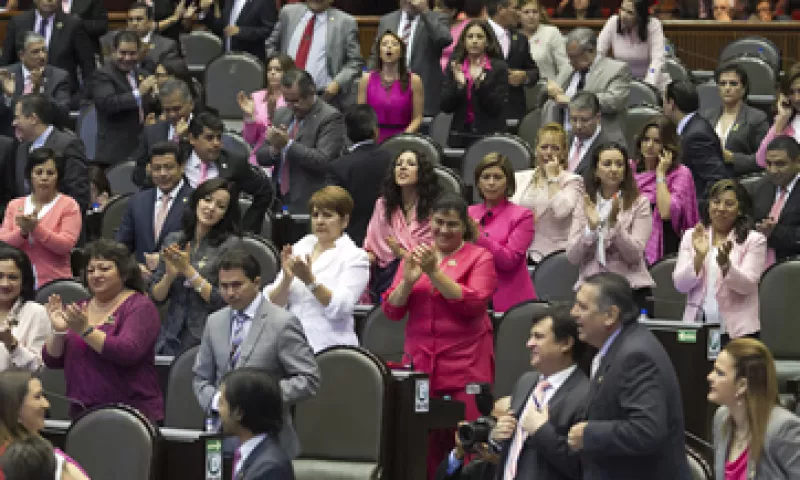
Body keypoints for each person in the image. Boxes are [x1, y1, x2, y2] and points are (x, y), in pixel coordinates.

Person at [383, 194, 497, 478]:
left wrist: (434, 273)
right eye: (439, 222)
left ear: (465, 226)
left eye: (452, 224)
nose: (444, 230)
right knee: (424, 444)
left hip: (466, 365)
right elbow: (392, 310)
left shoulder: (479, 257)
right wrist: (408, 282)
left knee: (469, 442)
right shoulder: (414, 256)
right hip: (423, 366)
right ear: (429, 222)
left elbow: (474, 305)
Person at [193, 249, 319, 460]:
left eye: (237, 285)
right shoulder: (214, 322)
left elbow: (308, 380)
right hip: (220, 438)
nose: (230, 293)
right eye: (224, 286)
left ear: (256, 282)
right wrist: (219, 402)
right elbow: (201, 378)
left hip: (269, 443)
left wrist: (258, 397)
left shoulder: (282, 323)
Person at [567, 272, 690, 479]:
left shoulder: (635, 355)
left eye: (583, 307)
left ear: (611, 315)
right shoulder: (619, 346)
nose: (573, 313)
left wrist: (589, 434)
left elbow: (647, 429)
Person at [42, 239, 164, 422]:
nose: (96, 275)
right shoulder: (80, 308)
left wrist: (86, 330)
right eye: (90, 270)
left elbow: (127, 351)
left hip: (131, 414)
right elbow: (51, 360)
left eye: (104, 269)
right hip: (82, 414)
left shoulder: (139, 306)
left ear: (123, 273)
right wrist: (58, 332)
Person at [265, 187, 369, 352]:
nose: (320, 221)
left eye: (327, 215)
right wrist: (286, 280)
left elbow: (341, 309)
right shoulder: (301, 246)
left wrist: (310, 281)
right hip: (289, 345)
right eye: (315, 215)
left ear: (344, 221)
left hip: (330, 347)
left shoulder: (355, 257)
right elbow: (272, 304)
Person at [491, 304, 588, 480]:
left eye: (539, 337)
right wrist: (497, 438)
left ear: (565, 343)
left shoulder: (585, 395)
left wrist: (542, 431)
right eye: (531, 336)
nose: (529, 344)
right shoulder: (525, 382)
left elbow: (581, 468)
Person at [151, 177, 243, 356]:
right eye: (207, 200)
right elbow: (156, 297)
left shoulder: (230, 245)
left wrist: (188, 271)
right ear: (196, 201)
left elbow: (225, 300)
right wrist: (169, 276)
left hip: (207, 337)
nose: (211, 208)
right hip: (170, 335)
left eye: (220, 206)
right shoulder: (174, 240)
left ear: (225, 214)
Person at [673, 179, 766, 344]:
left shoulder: (754, 240)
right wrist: (699, 257)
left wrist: (726, 266)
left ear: (740, 210)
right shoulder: (691, 236)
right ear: (708, 206)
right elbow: (680, 285)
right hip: (696, 326)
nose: (721, 208)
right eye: (716, 202)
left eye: (729, 204)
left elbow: (747, 285)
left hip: (737, 332)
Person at [566, 143, 654, 312]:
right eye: (607, 164)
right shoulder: (584, 203)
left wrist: (615, 225)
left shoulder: (639, 203)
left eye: (619, 164)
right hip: (591, 290)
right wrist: (590, 230)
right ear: (596, 170)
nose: (614, 169)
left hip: (630, 290)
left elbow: (635, 255)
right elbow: (573, 256)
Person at [255, 69, 345, 214]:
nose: (290, 106)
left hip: (311, 201)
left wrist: (288, 145)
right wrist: (275, 150)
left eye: (295, 100)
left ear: (311, 92)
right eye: (286, 100)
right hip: (277, 198)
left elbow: (324, 161)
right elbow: (261, 156)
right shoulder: (282, 114)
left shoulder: (330, 117)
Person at [709, 338, 800, 479]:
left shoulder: (783, 428)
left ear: (742, 385)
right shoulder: (722, 418)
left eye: (719, 373)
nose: (710, 377)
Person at [364, 149, 439, 302]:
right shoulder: (383, 205)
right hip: (386, 277)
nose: (402, 168)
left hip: (425, 280)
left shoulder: (435, 209)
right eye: (398, 164)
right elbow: (372, 248)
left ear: (422, 172)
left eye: (410, 164)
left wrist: (401, 253)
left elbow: (439, 255)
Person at [0, 148, 81, 288]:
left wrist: (36, 229)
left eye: (50, 173)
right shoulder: (15, 205)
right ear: (30, 175)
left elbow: (65, 245)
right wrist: (22, 233)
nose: (44, 178)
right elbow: (4, 243)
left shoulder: (69, 205)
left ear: (58, 176)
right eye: (38, 172)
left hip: (55, 283)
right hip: (17, 284)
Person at [185, 111, 274, 233]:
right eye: (209, 138)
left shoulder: (234, 163)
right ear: (192, 139)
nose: (217, 143)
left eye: (219, 137)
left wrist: (247, 227)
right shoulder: (179, 159)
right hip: (181, 232)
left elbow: (264, 191)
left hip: (223, 236)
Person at [265, 0, 364, 109]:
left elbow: (355, 61)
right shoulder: (288, 13)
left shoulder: (345, 22)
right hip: (285, 96)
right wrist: (277, 68)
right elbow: (271, 44)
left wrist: (337, 83)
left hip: (324, 98)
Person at [468, 153, 535, 311]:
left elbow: (509, 261)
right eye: (486, 177)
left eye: (497, 177)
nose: (491, 183)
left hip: (510, 303)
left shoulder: (523, 215)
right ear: (478, 182)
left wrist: (478, 237)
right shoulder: (468, 213)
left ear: (508, 182)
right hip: (473, 297)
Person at [542, 28, 631, 146]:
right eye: (569, 56)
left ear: (591, 51)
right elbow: (549, 94)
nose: (570, 61)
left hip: (601, 142)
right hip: (564, 141)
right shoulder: (569, 69)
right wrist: (548, 88)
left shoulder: (616, 69)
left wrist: (571, 100)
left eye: (574, 56)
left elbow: (614, 101)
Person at [117, 142, 193, 279]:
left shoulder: (195, 200)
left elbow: (200, 246)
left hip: (179, 280)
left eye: (169, 167)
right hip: (141, 280)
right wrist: (134, 267)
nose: (163, 173)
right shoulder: (138, 201)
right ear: (149, 169)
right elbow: (121, 245)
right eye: (157, 168)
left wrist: (165, 261)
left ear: (181, 167)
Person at [511, 122, 584, 262]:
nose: (548, 153)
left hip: (552, 256)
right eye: (544, 147)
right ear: (536, 149)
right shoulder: (519, 178)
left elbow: (561, 211)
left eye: (555, 148)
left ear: (563, 153)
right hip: (519, 252)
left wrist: (552, 178)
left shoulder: (573, 181)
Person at [0, 0, 95, 106]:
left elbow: (89, 67)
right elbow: (5, 64)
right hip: (20, 98)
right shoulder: (18, 22)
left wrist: (77, 100)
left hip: (62, 99)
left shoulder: (73, 24)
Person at [632, 115, 699, 264]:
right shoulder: (631, 169)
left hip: (666, 245)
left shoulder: (681, 173)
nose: (649, 145)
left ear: (668, 145)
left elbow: (665, 212)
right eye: (646, 139)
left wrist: (660, 173)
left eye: (657, 141)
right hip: (630, 242)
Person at [0, 370, 89, 480]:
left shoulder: (46, 454)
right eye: (37, 397)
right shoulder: (16, 464)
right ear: (15, 410)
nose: (46, 404)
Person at [371, 0, 453, 116]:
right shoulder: (387, 20)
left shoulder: (438, 18)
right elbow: (375, 54)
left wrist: (424, 11)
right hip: (389, 96)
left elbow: (444, 39)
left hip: (423, 95)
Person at [10, 94, 89, 212]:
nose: (14, 123)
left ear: (33, 119)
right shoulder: (21, 149)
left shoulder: (68, 145)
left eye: (17, 117)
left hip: (60, 225)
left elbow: (78, 195)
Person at [327, 105, 393, 246]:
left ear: (347, 134)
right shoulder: (393, 159)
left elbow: (334, 207)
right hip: (390, 239)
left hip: (353, 240)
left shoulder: (338, 167)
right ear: (376, 132)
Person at [92, 30, 157, 166]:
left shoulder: (143, 75)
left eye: (132, 53)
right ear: (113, 51)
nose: (127, 58)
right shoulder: (103, 75)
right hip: (115, 151)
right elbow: (108, 104)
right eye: (123, 53)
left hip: (141, 148)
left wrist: (154, 97)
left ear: (139, 53)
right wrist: (139, 93)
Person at [216, 369, 296, 480]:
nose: (217, 409)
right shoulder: (233, 451)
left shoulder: (271, 469)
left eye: (221, 403)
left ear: (238, 413)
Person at [441, 19, 509, 148]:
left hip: (490, 135)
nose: (474, 41)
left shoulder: (499, 67)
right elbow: (445, 106)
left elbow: (496, 107)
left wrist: (480, 85)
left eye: (479, 37)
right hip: (460, 135)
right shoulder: (455, 66)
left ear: (488, 41)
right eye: (470, 36)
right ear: (464, 41)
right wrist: (460, 86)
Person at [664, 80, 730, 203]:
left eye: (664, 101)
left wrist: (697, 210)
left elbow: (717, 179)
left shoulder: (696, 135)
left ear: (671, 103)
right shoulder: (692, 126)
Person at [700, 64, 770, 176]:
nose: (727, 88)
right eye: (723, 84)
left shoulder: (757, 118)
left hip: (741, 181)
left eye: (733, 83)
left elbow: (764, 158)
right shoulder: (707, 116)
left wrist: (733, 158)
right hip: (709, 179)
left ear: (743, 89)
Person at [0, 32, 70, 138]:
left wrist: (40, 92)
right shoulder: (6, 75)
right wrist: (8, 97)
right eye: (35, 52)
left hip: (45, 141)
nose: (42, 56)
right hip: (10, 140)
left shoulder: (59, 77)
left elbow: (63, 114)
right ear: (21, 56)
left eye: (44, 50)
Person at [358, 30, 424, 143]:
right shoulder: (366, 79)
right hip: (373, 138)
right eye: (384, 44)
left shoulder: (414, 80)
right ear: (379, 52)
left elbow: (417, 118)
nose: (389, 47)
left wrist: (404, 137)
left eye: (394, 44)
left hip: (404, 137)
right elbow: (361, 115)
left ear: (401, 52)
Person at [130, 78, 196, 187]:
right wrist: (148, 173)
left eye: (177, 109)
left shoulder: (204, 130)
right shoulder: (151, 132)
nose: (172, 115)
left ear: (191, 104)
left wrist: (183, 140)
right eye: (167, 110)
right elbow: (137, 175)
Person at [597, 0, 669, 92]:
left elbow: (657, 59)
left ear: (640, 16)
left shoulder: (653, 25)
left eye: (630, 12)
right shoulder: (613, 22)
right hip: (623, 84)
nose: (623, 15)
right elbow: (599, 52)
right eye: (622, 9)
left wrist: (648, 84)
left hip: (653, 84)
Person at [486, 0, 539, 121]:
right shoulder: (477, 34)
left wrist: (525, 76)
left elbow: (534, 71)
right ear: (501, 9)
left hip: (513, 111)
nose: (519, 13)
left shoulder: (520, 39)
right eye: (515, 8)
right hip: (484, 111)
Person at [0, 247, 51, 373]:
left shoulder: (36, 312)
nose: (4, 284)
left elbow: (37, 368)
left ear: (24, 282)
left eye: (12, 277)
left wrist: (11, 344)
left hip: (16, 391)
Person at [239, 54, 295, 166]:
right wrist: (249, 118)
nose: (272, 73)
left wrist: (271, 116)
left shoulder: (293, 100)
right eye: (269, 69)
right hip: (260, 159)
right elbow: (249, 140)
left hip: (284, 160)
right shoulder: (257, 97)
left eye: (278, 70)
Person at [751, 136, 800, 264]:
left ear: (798, 162)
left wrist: (774, 232)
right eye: (769, 164)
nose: (772, 170)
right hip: (757, 262)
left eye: (780, 164)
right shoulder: (760, 187)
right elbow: (748, 220)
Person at [436, 397, 508, 480]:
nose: (493, 428)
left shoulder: (524, 464)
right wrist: (458, 453)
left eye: (500, 423)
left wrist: (500, 462)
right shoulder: (482, 465)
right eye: (492, 420)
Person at [100, 2, 179, 71]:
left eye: (139, 19)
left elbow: (165, 75)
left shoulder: (167, 46)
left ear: (150, 21)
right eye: (130, 19)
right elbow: (107, 68)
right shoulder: (111, 40)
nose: (134, 23)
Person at [566, 92, 624, 175]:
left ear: (598, 118)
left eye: (584, 120)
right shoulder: (564, 139)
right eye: (574, 119)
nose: (578, 126)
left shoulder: (612, 144)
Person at [201, 0, 277, 63]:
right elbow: (221, 28)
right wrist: (206, 11)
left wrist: (241, 31)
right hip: (226, 57)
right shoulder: (229, 1)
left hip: (250, 60)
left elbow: (267, 29)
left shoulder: (264, 1)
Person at [756, 67, 800, 168]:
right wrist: (780, 124)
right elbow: (761, 161)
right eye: (791, 92)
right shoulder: (786, 121)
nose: (797, 98)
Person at [518, 0, 569, 83]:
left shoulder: (551, 32)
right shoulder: (513, 36)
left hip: (549, 90)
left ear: (540, 15)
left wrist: (557, 88)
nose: (531, 16)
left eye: (535, 12)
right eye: (526, 12)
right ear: (519, 15)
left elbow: (565, 66)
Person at [439, 0, 485, 73]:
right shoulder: (441, 27)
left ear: (453, 11)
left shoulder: (467, 27)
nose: (437, 10)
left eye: (441, 8)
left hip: (455, 73)